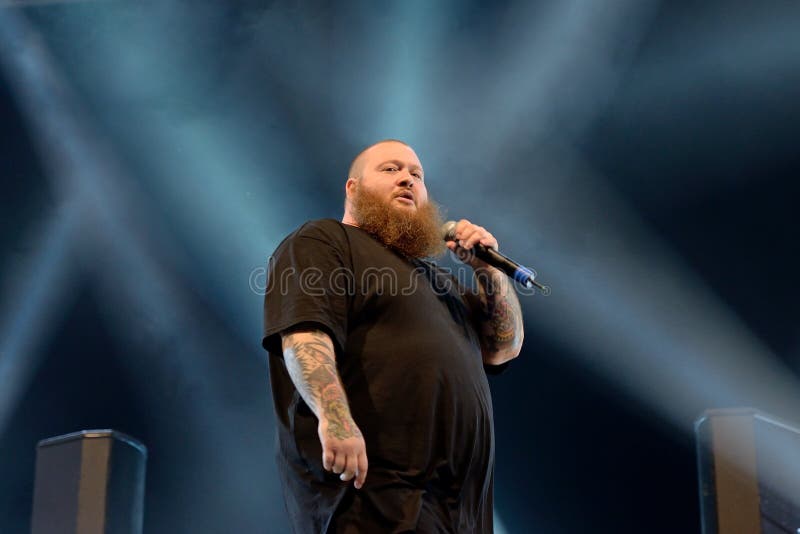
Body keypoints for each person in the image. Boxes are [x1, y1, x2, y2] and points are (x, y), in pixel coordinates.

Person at [262, 139, 524, 533]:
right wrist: (337, 420)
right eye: (390, 169)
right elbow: (305, 334)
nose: (407, 179)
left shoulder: (442, 283)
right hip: (375, 495)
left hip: (459, 511)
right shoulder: (324, 241)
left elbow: (503, 347)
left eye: (416, 175)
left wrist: (488, 269)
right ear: (353, 188)